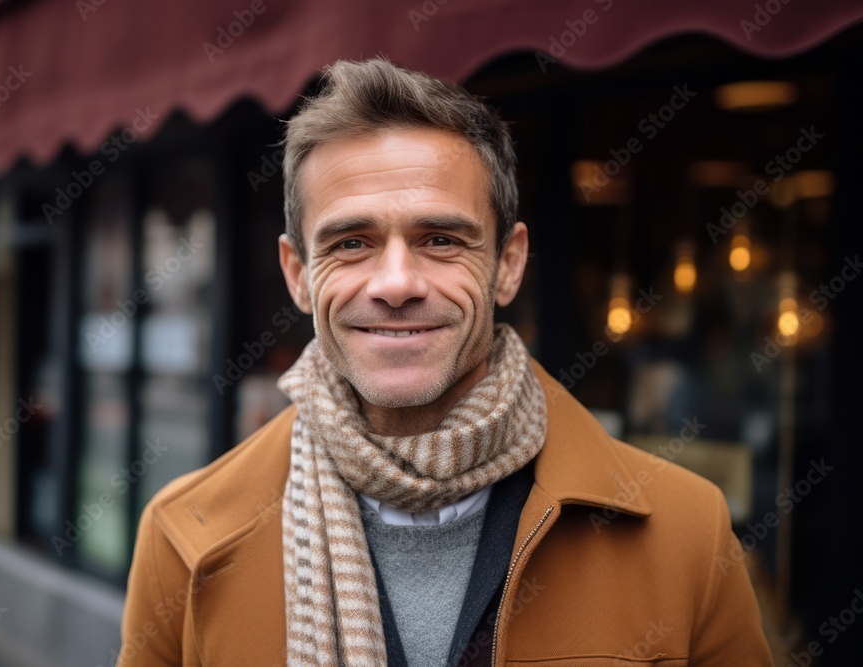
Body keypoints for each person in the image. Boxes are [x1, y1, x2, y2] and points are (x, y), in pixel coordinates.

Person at [118, 58, 771, 667]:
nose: (396, 283)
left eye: (439, 238)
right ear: (298, 273)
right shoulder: (185, 543)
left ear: (508, 264)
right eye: (351, 242)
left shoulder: (685, 533)